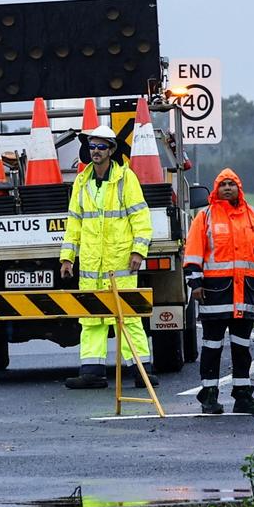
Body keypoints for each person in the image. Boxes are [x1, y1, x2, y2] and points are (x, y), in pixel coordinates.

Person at [59, 125, 157, 389]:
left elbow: (140, 217)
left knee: (128, 316)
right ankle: (92, 372)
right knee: (91, 318)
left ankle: (141, 371)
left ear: (112, 150)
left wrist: (139, 250)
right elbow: (74, 223)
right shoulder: (82, 180)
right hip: (92, 265)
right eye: (92, 146)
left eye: (101, 147)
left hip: (120, 263)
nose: (96, 152)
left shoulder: (126, 179)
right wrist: (67, 258)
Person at [184, 168, 254, 415]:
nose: (227, 187)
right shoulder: (204, 217)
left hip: (246, 295)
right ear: (216, 189)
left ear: (239, 188)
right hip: (215, 294)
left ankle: (243, 396)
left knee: (241, 347)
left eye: (232, 184)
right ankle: (209, 396)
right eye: (223, 184)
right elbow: (193, 253)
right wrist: (194, 283)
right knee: (212, 347)